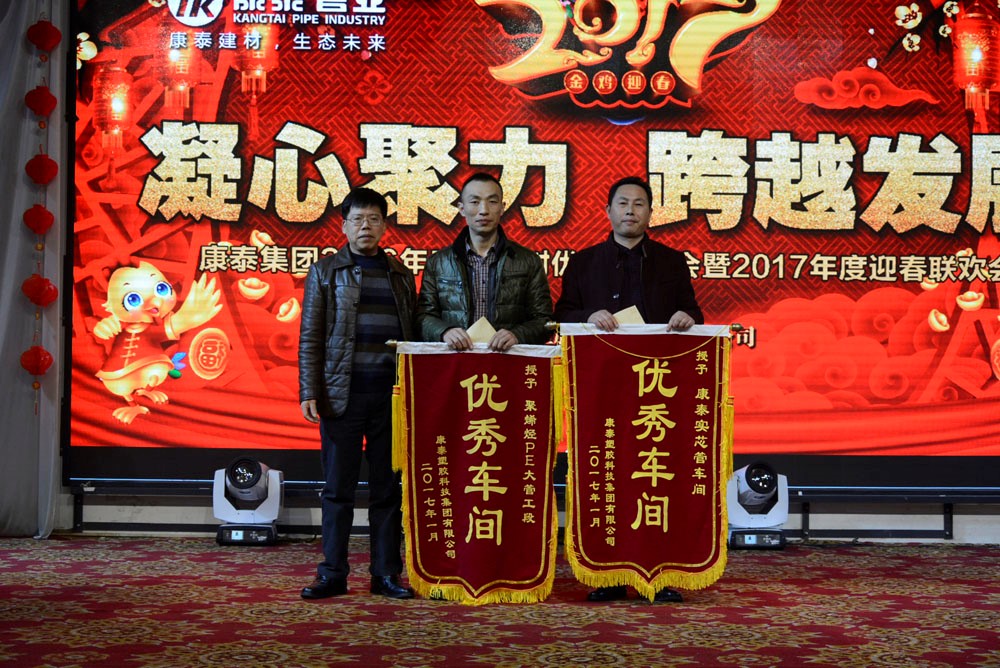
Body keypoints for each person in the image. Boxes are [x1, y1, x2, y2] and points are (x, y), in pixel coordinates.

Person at [554, 175, 704, 604]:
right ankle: (606, 574)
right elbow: (561, 315)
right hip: (602, 393)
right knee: (607, 478)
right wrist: (588, 316)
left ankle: (658, 574)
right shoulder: (584, 263)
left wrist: (685, 318)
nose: (631, 211)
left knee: (656, 481)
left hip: (657, 396)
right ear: (608, 211)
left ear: (651, 213)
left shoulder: (671, 263)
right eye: (623, 203)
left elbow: (694, 313)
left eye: (639, 204)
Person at [298, 187, 416, 600]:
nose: (366, 226)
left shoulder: (400, 274)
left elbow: (413, 336)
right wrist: (309, 389)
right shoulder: (325, 272)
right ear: (344, 226)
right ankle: (332, 574)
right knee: (338, 490)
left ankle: (386, 574)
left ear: (384, 226)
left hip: (391, 398)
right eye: (358, 219)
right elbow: (310, 336)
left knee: (388, 491)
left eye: (374, 219)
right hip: (340, 396)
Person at [417, 172, 553, 350]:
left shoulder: (528, 261)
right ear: (461, 208)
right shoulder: (438, 263)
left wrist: (517, 335)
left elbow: (545, 320)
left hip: (507, 358)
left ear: (502, 208)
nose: (483, 210)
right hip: (455, 358)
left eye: (492, 201)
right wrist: (444, 331)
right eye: (474, 202)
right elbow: (423, 317)